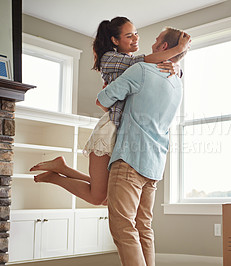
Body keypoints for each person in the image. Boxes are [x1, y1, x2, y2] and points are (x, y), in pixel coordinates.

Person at [29, 17, 190, 206]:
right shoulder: (112, 58)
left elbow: (153, 67)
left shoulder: (135, 63)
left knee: (109, 194)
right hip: (111, 130)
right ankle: (56, 177)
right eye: (129, 35)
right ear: (115, 40)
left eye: (136, 33)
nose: (136, 38)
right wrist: (179, 51)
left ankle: (61, 167)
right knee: (100, 197)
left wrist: (177, 68)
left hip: (124, 132)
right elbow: (145, 63)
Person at [95, 26, 188, 266]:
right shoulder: (177, 82)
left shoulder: (141, 70)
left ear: (163, 47)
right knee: (143, 226)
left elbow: (102, 100)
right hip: (155, 165)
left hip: (130, 160)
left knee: (123, 227)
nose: (152, 42)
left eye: (156, 40)